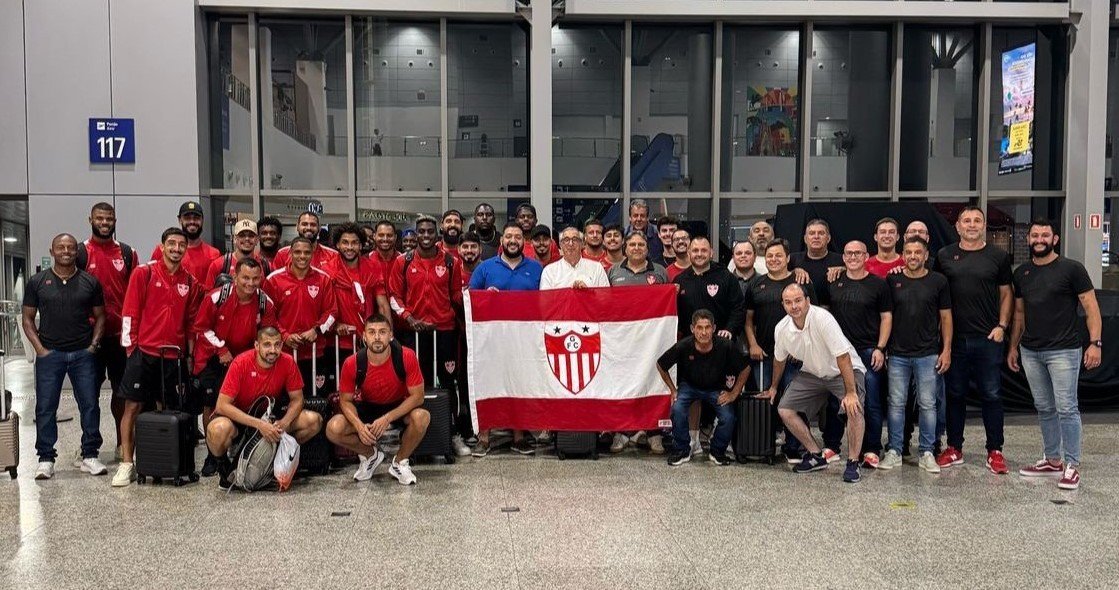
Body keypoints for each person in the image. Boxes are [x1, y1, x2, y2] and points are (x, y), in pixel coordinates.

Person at [1008, 218, 1101, 491]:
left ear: (1055, 239)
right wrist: (1014, 347)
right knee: (1045, 407)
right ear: (1029, 239)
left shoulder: (1072, 269)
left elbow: (1091, 307)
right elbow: (1020, 314)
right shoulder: (1022, 273)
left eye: (1045, 235)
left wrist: (1095, 343)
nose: (1039, 239)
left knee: (1067, 407)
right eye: (1034, 235)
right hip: (1031, 350)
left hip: (1064, 351)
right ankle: (1052, 460)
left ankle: (1072, 465)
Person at [113, 227, 205, 487]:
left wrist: (188, 355)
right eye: (172, 244)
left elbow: (190, 323)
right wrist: (131, 351)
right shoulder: (144, 273)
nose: (176, 249)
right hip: (144, 353)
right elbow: (129, 312)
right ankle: (126, 464)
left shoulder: (189, 281)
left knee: (170, 409)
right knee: (132, 407)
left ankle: (165, 460)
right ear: (162, 246)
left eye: (181, 245)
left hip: (173, 357)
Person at [759, 283, 866, 483]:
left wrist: (850, 393)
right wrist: (773, 387)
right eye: (788, 302)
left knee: (854, 408)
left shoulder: (823, 319)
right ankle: (816, 455)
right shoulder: (781, 329)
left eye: (798, 300)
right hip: (812, 373)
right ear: (783, 305)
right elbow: (779, 360)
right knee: (785, 409)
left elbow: (843, 356)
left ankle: (853, 462)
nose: (794, 306)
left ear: (807, 301)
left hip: (842, 370)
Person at [934, 206, 1013, 474]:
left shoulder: (998, 257)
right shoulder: (944, 256)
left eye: (977, 220)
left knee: (992, 394)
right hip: (954, 340)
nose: (971, 224)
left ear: (983, 226)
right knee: (955, 394)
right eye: (966, 220)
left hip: (987, 338)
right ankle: (954, 447)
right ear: (957, 226)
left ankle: (995, 451)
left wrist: (1002, 326)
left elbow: (1006, 294)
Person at [22, 233, 107, 480]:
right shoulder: (37, 282)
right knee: (46, 408)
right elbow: (27, 318)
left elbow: (101, 316)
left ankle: (90, 455)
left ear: (76, 252)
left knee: (90, 406)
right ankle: (46, 459)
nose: (67, 251)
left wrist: (93, 345)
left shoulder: (89, 282)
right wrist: (40, 350)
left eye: (71, 247)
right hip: (50, 355)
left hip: (83, 354)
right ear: (52, 251)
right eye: (61, 247)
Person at [206, 327, 324, 490]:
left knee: (313, 420)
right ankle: (226, 470)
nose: (273, 350)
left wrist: (282, 424)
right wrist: (259, 425)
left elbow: (297, 400)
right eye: (267, 345)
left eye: (277, 345)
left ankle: (271, 461)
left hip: (271, 417)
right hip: (241, 419)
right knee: (217, 430)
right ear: (256, 345)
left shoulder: (288, 361)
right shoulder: (241, 362)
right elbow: (222, 405)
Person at [192, 257, 277, 476]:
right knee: (212, 403)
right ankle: (214, 455)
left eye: (255, 278)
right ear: (235, 276)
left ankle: (243, 444)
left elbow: (267, 336)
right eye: (245, 278)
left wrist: (252, 357)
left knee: (246, 399)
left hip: (247, 359)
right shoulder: (215, 298)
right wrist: (221, 350)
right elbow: (201, 328)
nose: (250, 283)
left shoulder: (264, 302)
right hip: (214, 357)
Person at [388, 215, 466, 455]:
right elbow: (394, 297)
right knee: (414, 385)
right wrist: (409, 318)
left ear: (438, 233)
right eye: (421, 231)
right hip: (414, 334)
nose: (425, 236)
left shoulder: (451, 262)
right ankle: (412, 435)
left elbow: (456, 296)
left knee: (448, 382)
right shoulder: (403, 261)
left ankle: (453, 434)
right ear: (415, 233)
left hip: (444, 332)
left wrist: (478, 300)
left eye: (430, 231)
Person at [326, 315, 431, 485]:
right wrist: (359, 427)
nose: (376, 337)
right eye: (372, 332)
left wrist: (387, 418)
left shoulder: (407, 356)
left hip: (399, 406)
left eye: (382, 332)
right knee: (333, 428)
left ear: (391, 335)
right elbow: (345, 401)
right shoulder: (352, 363)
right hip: (368, 406)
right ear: (364, 336)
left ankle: (400, 462)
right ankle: (370, 455)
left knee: (422, 417)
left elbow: (418, 397)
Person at [468, 222, 542, 456]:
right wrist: (485, 298)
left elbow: (545, 301)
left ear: (523, 241)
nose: (513, 240)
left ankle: (519, 436)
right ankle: (484, 437)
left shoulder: (536, 268)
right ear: (501, 241)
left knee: (519, 383)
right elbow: (470, 299)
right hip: (491, 341)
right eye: (508, 236)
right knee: (488, 382)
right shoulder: (485, 268)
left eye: (518, 237)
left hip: (524, 340)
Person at [883, 237, 952, 473]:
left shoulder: (938, 281)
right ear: (903, 254)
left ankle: (927, 452)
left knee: (928, 404)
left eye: (917, 252)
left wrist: (947, 350)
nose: (913, 256)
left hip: (928, 354)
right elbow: (886, 317)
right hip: (898, 354)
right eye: (909, 252)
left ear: (925, 255)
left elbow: (946, 318)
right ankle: (894, 450)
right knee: (896, 404)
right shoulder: (893, 280)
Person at [77, 202, 139, 461]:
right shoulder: (81, 252)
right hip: (89, 337)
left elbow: (137, 292)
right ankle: (89, 445)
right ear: (90, 219)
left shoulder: (126, 253)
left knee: (122, 394)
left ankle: (120, 443)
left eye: (109, 218)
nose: (104, 222)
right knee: (88, 395)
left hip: (119, 337)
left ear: (115, 220)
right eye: (100, 218)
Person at [673, 235, 745, 457]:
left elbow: (738, 308)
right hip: (692, 349)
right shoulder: (681, 280)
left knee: (723, 391)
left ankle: (723, 435)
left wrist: (730, 330)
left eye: (704, 250)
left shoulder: (725, 277)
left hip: (722, 349)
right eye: (695, 251)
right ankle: (693, 439)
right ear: (689, 252)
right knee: (692, 392)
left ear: (711, 252)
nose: (699, 254)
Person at [745, 238, 815, 462]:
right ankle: (765, 445)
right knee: (768, 400)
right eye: (770, 256)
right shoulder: (757, 284)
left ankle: (794, 446)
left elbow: (814, 316)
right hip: (764, 355)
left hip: (796, 356)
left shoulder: (801, 281)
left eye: (778, 255)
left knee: (794, 400)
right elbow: (748, 321)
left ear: (787, 258)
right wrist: (753, 344)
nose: (774, 259)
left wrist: (802, 346)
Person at [827, 241, 892, 469]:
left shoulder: (878, 285)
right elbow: (824, 317)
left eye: (858, 253)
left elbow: (886, 318)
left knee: (871, 401)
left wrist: (880, 348)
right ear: (843, 257)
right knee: (835, 399)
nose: (853, 256)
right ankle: (832, 445)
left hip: (868, 351)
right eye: (849, 253)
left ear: (866, 256)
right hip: (839, 351)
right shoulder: (834, 282)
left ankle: (871, 448)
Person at [657, 310, 750, 466]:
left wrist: (734, 393)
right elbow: (661, 365)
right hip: (689, 387)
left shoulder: (725, 345)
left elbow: (745, 368)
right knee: (677, 408)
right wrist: (673, 390)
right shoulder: (684, 345)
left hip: (715, 388)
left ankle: (717, 451)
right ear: (693, 329)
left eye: (707, 327)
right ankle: (682, 450)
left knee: (728, 417)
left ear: (714, 328)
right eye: (699, 328)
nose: (704, 332)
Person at [607, 231, 669, 454]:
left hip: (652, 342)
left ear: (647, 247)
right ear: (625, 248)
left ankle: (653, 433)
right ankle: (621, 433)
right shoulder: (613, 272)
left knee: (652, 384)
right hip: (622, 341)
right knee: (622, 386)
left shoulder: (660, 272)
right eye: (632, 244)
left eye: (640, 244)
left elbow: (669, 305)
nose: (636, 248)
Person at [263, 237, 338, 397]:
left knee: (316, 403)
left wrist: (316, 330)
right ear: (290, 253)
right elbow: (267, 316)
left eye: (306, 252)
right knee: (283, 402)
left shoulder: (323, 279)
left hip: (315, 353)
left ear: (312, 254)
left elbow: (331, 313)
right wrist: (284, 336)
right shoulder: (274, 280)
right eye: (297, 252)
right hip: (282, 353)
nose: (302, 256)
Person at [328, 223, 391, 358]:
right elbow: (323, 307)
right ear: (338, 245)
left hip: (368, 339)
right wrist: (335, 325)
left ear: (361, 246)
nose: (350, 247)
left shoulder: (373, 267)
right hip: (337, 341)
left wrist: (388, 337)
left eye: (354, 243)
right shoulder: (328, 269)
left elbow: (383, 305)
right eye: (345, 243)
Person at [148, 201, 221, 284]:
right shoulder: (163, 250)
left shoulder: (214, 254)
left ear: (202, 220)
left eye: (196, 218)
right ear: (180, 220)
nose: (192, 221)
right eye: (187, 218)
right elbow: (152, 281)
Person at [789, 218, 843, 304]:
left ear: (828, 238)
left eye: (821, 233)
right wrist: (793, 271)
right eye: (811, 233)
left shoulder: (841, 260)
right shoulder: (793, 260)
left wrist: (844, 270)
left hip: (833, 313)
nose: (816, 237)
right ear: (805, 239)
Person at [203, 219, 269, 288]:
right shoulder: (219, 265)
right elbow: (209, 296)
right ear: (235, 239)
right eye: (242, 235)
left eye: (251, 236)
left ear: (257, 240)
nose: (247, 238)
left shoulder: (265, 265)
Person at [540, 227, 611, 290]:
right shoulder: (549, 271)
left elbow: (605, 298)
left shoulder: (596, 268)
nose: (571, 244)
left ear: (582, 244)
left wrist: (589, 292)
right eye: (566, 240)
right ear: (560, 245)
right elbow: (546, 301)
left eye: (575, 239)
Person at [271, 211, 340, 270]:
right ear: (297, 227)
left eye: (313, 225)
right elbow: (275, 282)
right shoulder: (283, 254)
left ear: (319, 228)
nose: (308, 228)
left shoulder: (333, 255)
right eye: (304, 224)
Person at [371, 220, 402, 293]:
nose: (385, 239)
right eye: (381, 235)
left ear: (395, 237)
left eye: (389, 235)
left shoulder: (403, 260)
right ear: (374, 236)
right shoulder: (366, 260)